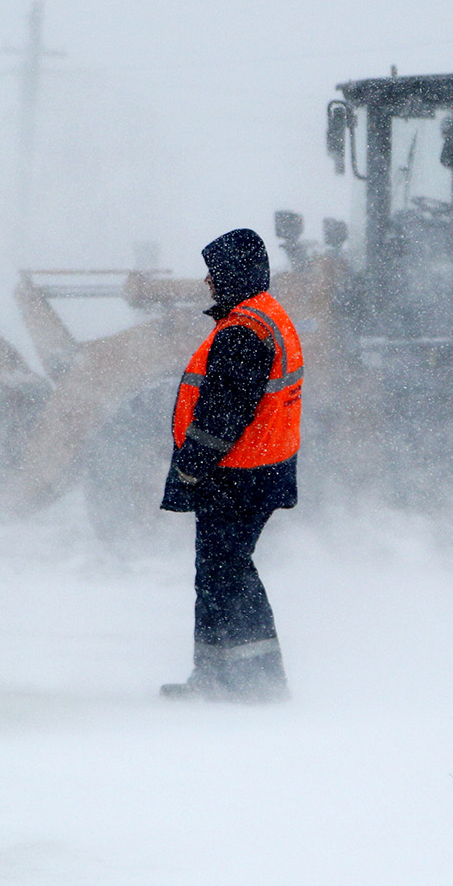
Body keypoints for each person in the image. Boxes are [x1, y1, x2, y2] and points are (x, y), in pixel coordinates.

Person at [159, 228, 302, 702]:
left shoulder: (242, 331)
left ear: (233, 274)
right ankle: (230, 680)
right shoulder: (266, 315)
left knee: (224, 574)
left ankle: (247, 685)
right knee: (225, 572)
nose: (206, 280)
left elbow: (221, 417)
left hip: (236, 476)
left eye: (213, 271)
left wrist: (189, 469)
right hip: (261, 469)